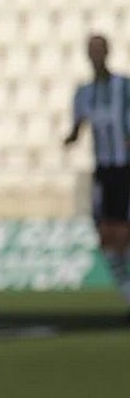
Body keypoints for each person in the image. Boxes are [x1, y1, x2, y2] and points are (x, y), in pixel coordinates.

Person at [63, 33, 130, 314]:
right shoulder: (85, 92)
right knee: (107, 235)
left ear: (108, 52)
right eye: (92, 50)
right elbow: (77, 128)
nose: (96, 55)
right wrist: (69, 138)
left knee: (124, 233)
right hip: (104, 170)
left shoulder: (124, 87)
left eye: (100, 49)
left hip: (126, 168)